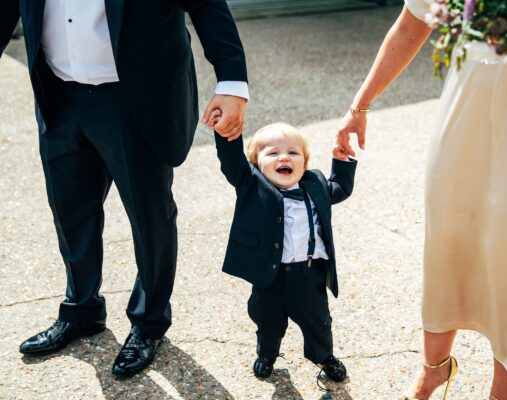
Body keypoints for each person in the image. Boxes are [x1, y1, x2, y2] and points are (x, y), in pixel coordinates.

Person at [337, 1, 507, 399]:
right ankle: (433, 370)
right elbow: (412, 24)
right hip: (472, 84)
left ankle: (504, 390)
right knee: (449, 225)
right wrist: (360, 104)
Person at [0, 0, 248, 378]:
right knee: (70, 211)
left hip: (136, 95)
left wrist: (231, 82)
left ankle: (149, 322)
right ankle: (82, 309)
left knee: (150, 217)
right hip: (57, 94)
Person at [212, 120, 356, 383]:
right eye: (272, 152)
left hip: (308, 275)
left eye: (292, 152)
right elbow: (232, 162)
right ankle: (267, 354)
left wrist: (341, 161)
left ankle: (324, 357)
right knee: (268, 323)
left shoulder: (316, 185)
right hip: (271, 277)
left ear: (304, 163)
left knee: (319, 323)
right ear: (256, 163)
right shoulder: (252, 185)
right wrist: (226, 133)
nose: (283, 157)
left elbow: (341, 188)